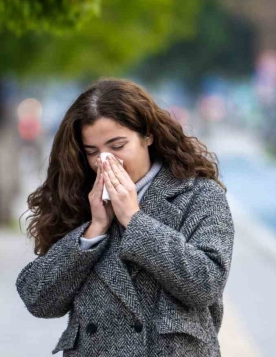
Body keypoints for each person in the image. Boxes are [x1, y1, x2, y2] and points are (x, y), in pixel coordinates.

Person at [16, 78, 234, 357]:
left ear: (147, 135)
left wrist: (134, 219)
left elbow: (206, 283)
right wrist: (93, 231)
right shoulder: (77, 198)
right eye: (92, 152)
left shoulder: (198, 194)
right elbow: (38, 300)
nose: (105, 161)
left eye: (117, 145)